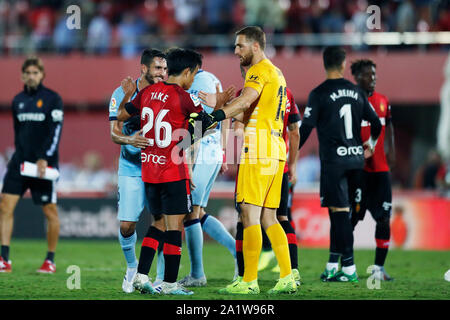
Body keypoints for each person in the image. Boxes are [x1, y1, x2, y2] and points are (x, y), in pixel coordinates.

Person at [196, 26, 297, 294]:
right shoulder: (277, 73)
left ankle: (249, 281)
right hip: (276, 151)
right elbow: (247, 111)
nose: (235, 51)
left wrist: (214, 116)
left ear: (255, 45)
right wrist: (221, 106)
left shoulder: (257, 71)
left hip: (259, 148)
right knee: (270, 218)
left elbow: (245, 102)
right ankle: (287, 277)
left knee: (249, 215)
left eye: (240, 45)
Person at [116, 48, 206, 295]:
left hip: (149, 172)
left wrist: (127, 96)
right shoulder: (184, 96)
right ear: (187, 72)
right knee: (175, 227)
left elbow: (123, 115)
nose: (193, 80)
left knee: (157, 224)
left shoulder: (146, 93)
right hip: (173, 173)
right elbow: (205, 122)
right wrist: (185, 143)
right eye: (194, 74)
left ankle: (141, 276)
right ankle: (169, 283)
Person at [298, 47, 382, 283]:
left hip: (334, 162)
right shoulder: (357, 92)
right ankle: (332, 265)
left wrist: (289, 150)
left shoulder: (319, 93)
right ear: (344, 64)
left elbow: (305, 129)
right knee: (343, 217)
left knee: (339, 215)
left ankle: (349, 268)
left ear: (325, 64)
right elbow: (376, 123)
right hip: (356, 161)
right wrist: (370, 145)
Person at [109, 48, 167, 293]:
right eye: (158, 68)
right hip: (132, 167)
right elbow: (114, 133)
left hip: (160, 167)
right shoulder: (122, 91)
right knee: (126, 226)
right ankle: (132, 266)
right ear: (143, 68)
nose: (163, 74)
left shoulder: (169, 92)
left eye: (165, 69)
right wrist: (131, 140)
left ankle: (162, 279)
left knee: (164, 222)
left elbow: (184, 129)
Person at [0, 56, 63, 273]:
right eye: (27, 73)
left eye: (35, 72)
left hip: (43, 165)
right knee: (5, 207)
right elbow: (19, 134)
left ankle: (50, 260)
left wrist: (44, 156)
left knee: (50, 211)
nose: (31, 76)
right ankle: (4, 259)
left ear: (42, 75)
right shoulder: (17, 101)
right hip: (19, 163)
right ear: (22, 76)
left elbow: (55, 132)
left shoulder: (53, 99)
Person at [177, 68, 237, 287]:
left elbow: (197, 124)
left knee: (189, 213)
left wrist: (188, 159)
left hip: (201, 150)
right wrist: (223, 152)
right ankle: (237, 254)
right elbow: (226, 115)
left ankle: (197, 274)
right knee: (199, 212)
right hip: (212, 150)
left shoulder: (199, 81)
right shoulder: (213, 78)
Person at [350, 59, 395, 281]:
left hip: (381, 172)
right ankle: (345, 265)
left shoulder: (384, 101)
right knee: (352, 218)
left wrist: (391, 151)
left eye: (375, 74)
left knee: (384, 219)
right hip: (358, 172)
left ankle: (378, 269)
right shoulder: (350, 104)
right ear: (357, 78)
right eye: (368, 75)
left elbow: (390, 126)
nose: (373, 78)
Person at [257, 87, 301, 285]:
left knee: (248, 217)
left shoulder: (249, 91)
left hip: (255, 164)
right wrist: (292, 165)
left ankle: (243, 276)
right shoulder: (287, 93)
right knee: (281, 217)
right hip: (280, 164)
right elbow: (295, 133)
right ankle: (292, 271)